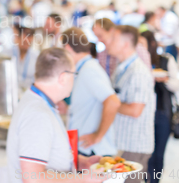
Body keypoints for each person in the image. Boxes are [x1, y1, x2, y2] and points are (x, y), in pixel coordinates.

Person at [6, 47, 105, 183]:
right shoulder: (38, 114)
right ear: (63, 78)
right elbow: (32, 177)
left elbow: (49, 153)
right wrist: (82, 179)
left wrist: (83, 163)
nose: (74, 80)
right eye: (74, 75)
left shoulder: (41, 103)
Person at [61, 27, 120, 157]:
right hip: (83, 147)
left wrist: (97, 136)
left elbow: (113, 102)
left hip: (93, 151)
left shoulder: (90, 69)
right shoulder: (82, 69)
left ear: (68, 48)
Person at [108, 25, 155, 183]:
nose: (109, 42)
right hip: (123, 143)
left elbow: (135, 110)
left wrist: (110, 102)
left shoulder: (138, 72)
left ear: (125, 44)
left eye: (114, 39)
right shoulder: (121, 68)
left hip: (134, 147)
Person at [140, 31, 179, 183]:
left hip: (162, 112)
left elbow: (176, 85)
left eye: (142, 44)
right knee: (145, 153)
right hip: (143, 114)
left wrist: (165, 80)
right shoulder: (137, 63)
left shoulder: (166, 59)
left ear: (151, 44)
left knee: (158, 154)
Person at [10, 25, 39, 96]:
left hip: (29, 94)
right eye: (24, 41)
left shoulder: (36, 56)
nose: (27, 43)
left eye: (29, 41)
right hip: (11, 92)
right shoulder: (7, 54)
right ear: (18, 38)